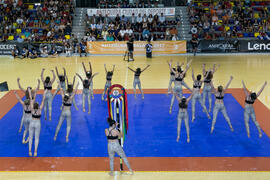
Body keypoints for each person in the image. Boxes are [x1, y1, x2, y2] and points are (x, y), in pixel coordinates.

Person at [28, 88, 46, 157]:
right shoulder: (40, 109)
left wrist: (30, 92)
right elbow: (43, 100)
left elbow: (31, 99)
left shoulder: (32, 108)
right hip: (37, 123)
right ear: (38, 106)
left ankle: (30, 151)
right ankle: (35, 151)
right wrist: (44, 94)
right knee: (36, 138)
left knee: (30, 137)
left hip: (32, 122)